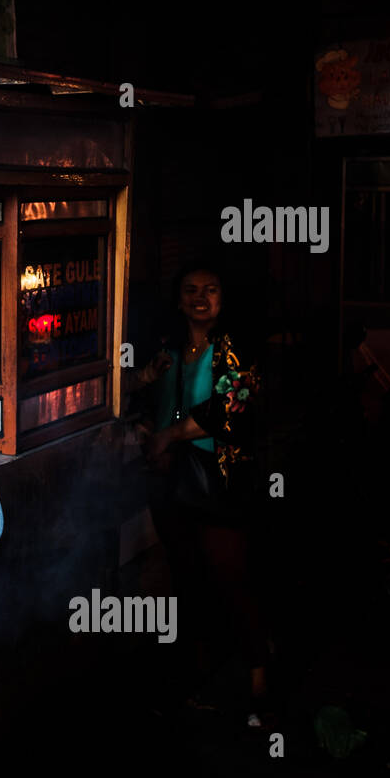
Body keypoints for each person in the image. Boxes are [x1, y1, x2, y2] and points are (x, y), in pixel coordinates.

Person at [132, 264, 269, 728]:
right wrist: (146, 404)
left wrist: (168, 435)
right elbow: (139, 403)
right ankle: (195, 678)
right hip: (171, 484)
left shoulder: (234, 349)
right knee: (188, 579)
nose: (200, 297)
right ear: (178, 301)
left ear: (223, 300)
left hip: (218, 483)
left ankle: (257, 678)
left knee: (231, 576)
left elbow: (230, 407)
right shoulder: (169, 352)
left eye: (210, 289)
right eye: (190, 290)